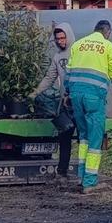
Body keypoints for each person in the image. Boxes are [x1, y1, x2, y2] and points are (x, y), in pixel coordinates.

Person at [66, 19, 112, 193]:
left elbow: (68, 71)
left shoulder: (78, 44)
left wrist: (67, 93)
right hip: (94, 97)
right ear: (108, 32)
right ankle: (90, 182)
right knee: (95, 141)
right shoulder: (108, 47)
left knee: (83, 137)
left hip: (75, 95)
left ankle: (81, 177)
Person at [30, 22, 75, 178]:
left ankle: (84, 175)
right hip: (65, 103)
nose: (60, 41)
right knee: (64, 135)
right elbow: (50, 77)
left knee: (83, 139)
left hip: (79, 101)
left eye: (63, 38)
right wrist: (35, 93)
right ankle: (62, 171)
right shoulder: (57, 56)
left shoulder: (77, 52)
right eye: (57, 39)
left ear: (69, 36)